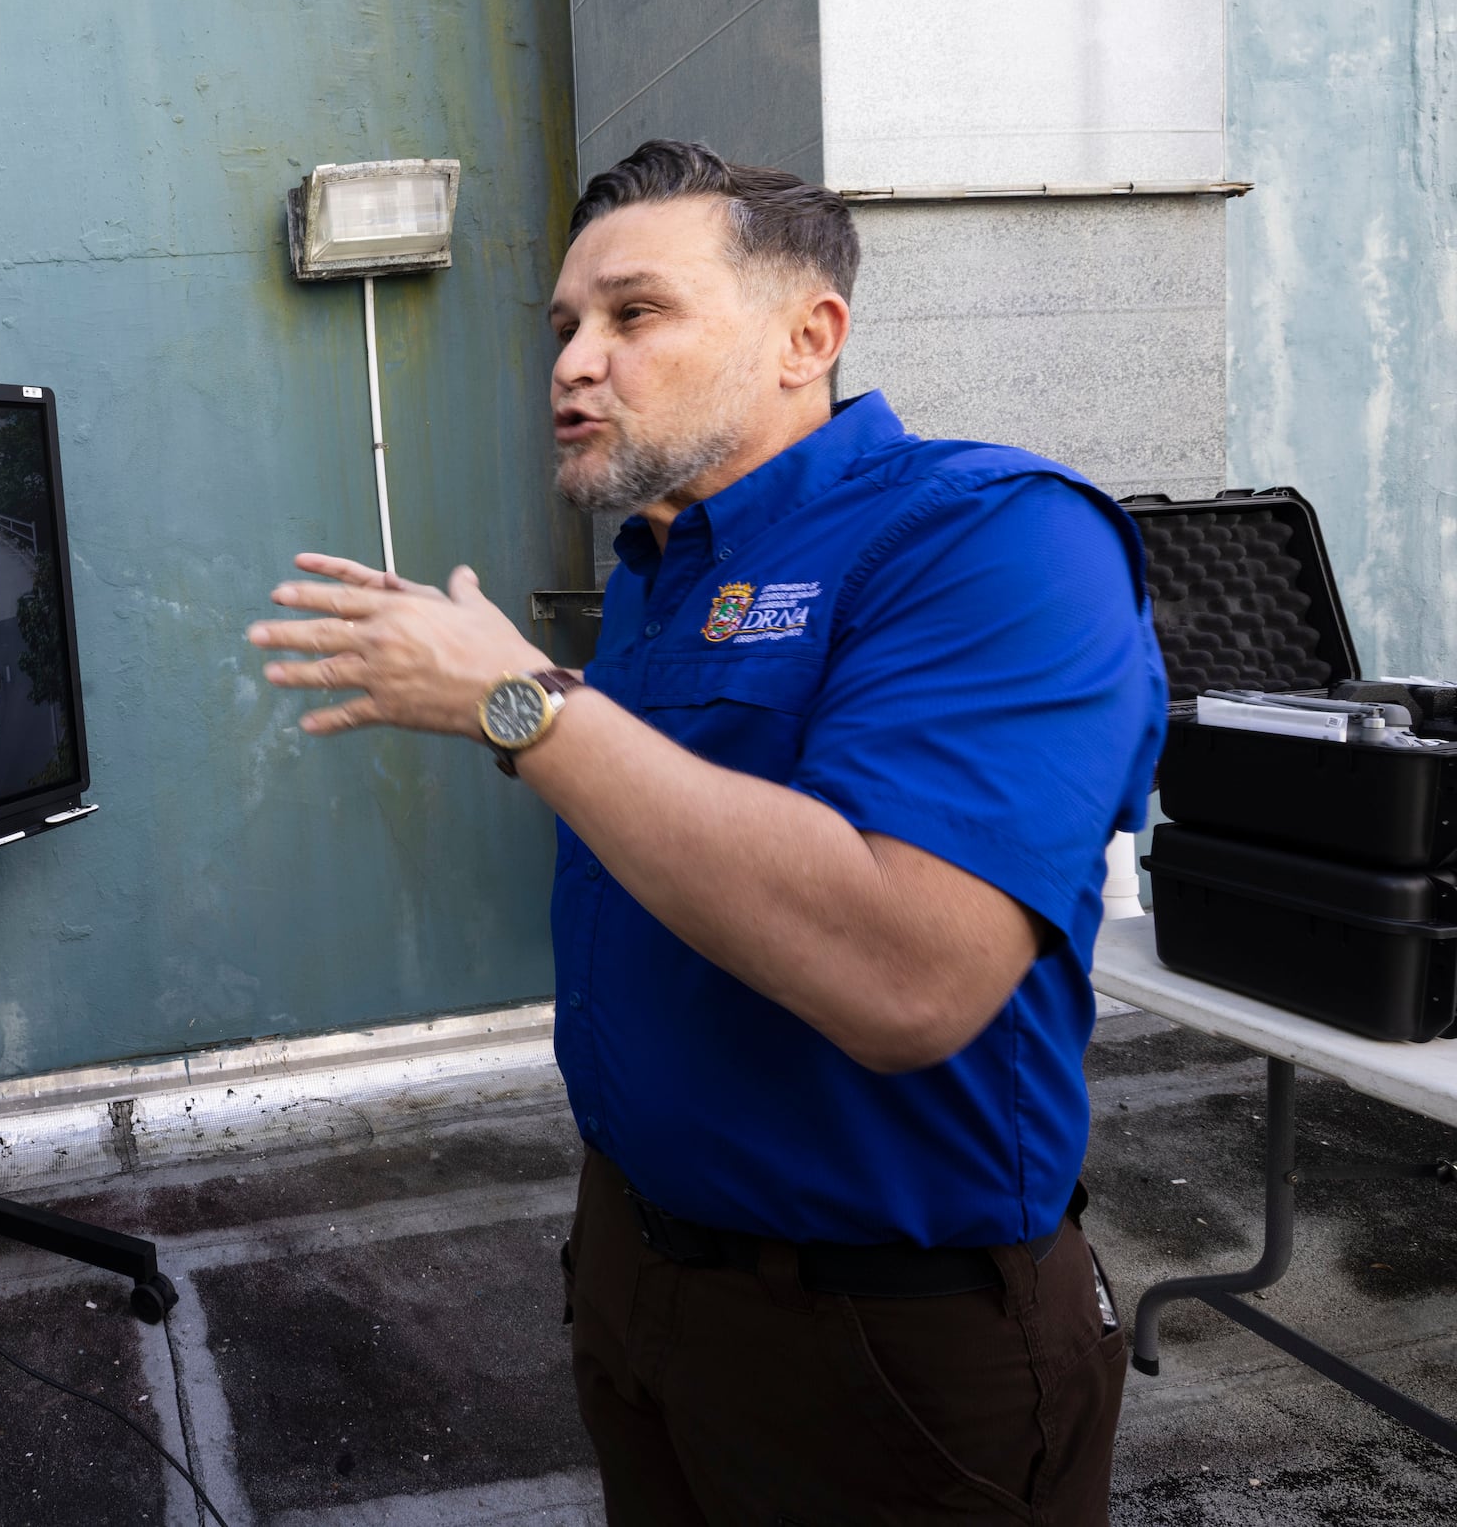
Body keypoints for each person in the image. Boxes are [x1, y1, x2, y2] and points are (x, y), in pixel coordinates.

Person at [248, 140, 1164, 1525]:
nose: (573, 363)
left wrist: (519, 702)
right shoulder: (660, 569)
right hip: (639, 1271)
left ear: (809, 338)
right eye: (564, 326)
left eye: (635, 313)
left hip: (883, 1336)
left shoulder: (995, 539)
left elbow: (907, 973)